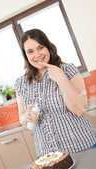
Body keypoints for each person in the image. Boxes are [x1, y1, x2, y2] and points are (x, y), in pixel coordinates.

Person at [14, 28, 96, 157]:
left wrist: (62, 79)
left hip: (81, 147)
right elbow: (22, 118)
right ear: (26, 55)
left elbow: (79, 109)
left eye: (40, 48)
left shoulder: (67, 69)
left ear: (48, 47)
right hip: (49, 155)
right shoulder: (21, 83)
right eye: (30, 51)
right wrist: (27, 117)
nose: (37, 54)